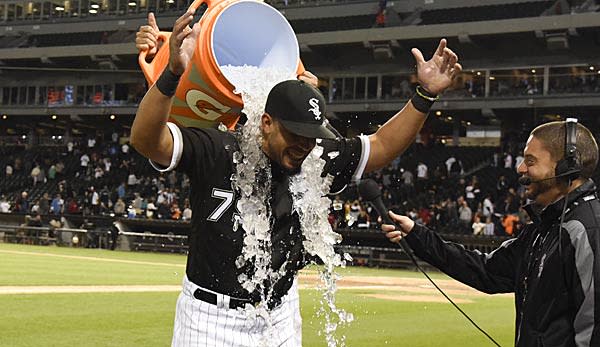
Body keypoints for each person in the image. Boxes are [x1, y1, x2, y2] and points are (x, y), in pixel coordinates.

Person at [133, 9, 460, 347]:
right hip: (211, 320)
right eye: (295, 134)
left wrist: (424, 96)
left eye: (311, 136)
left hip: (280, 316)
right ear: (266, 122)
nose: (304, 145)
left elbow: (380, 146)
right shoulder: (219, 149)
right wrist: (172, 73)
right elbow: (147, 141)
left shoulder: (317, 159)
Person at [383, 120, 600, 346]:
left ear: (567, 167)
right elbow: (485, 270)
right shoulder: (542, 229)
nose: (520, 168)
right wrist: (417, 234)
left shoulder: (588, 230)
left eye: (530, 161)